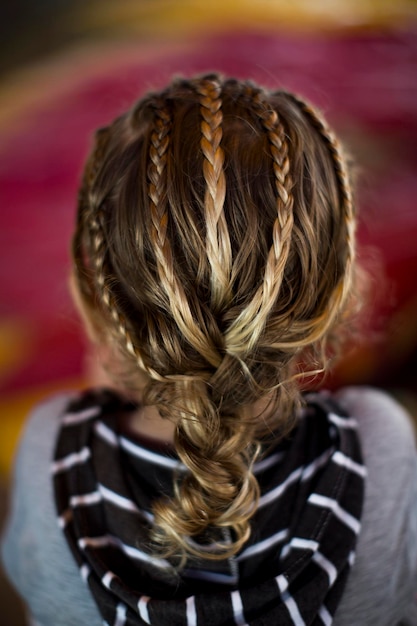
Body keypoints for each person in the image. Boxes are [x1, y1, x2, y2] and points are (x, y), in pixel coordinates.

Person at [2, 74, 417, 626]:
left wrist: (114, 381)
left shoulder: (48, 452)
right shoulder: (380, 447)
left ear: (98, 300)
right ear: (335, 295)